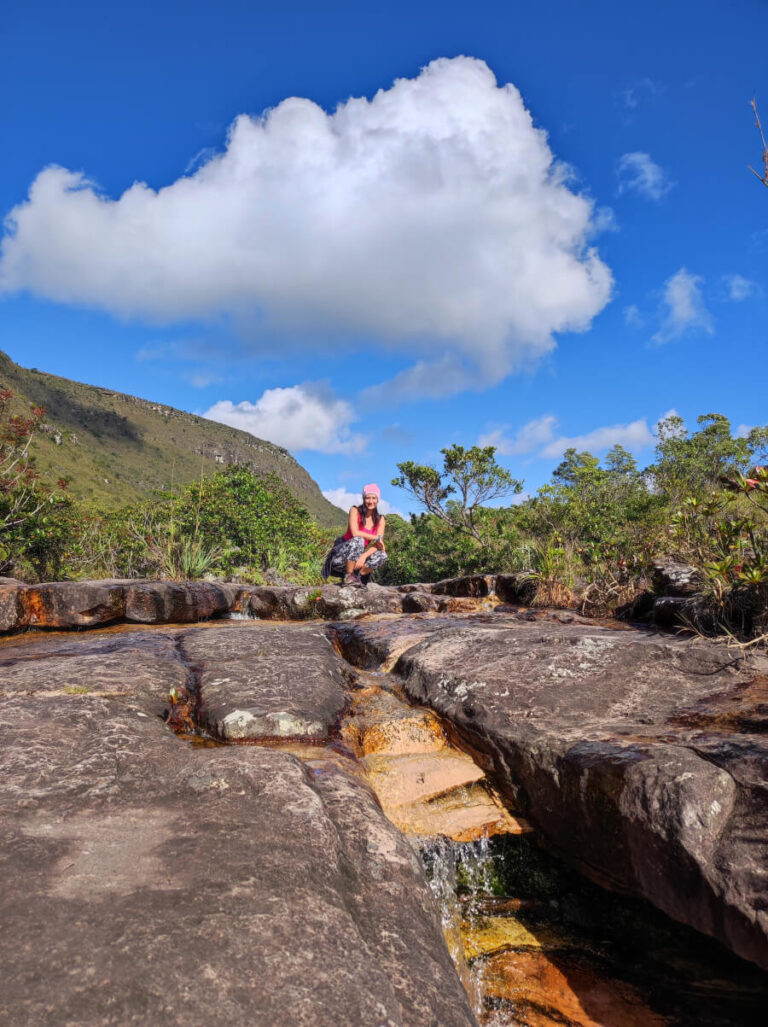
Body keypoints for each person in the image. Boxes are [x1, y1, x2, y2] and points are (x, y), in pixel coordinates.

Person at [322, 484, 388, 586]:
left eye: (374, 498)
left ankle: (358, 577)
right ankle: (349, 576)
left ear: (378, 499)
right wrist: (377, 538)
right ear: (363, 498)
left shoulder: (381, 519)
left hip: (357, 559)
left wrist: (363, 556)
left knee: (382, 555)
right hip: (341, 557)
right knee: (359, 540)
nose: (371, 501)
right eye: (368, 498)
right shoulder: (355, 510)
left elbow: (378, 544)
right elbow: (355, 533)